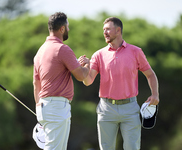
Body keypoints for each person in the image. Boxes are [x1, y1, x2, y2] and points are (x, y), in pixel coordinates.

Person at [79, 17, 159, 150]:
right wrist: (86, 68)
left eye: (108, 29)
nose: (104, 32)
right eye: (103, 30)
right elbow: (88, 81)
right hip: (106, 109)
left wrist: (155, 94)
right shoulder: (98, 55)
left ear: (118, 30)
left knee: (132, 147)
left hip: (130, 108)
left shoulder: (135, 52)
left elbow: (150, 74)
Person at [33, 12, 90, 150]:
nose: (69, 29)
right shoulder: (62, 49)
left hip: (44, 106)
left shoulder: (40, 51)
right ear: (62, 28)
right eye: (68, 27)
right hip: (56, 107)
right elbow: (81, 76)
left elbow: (36, 84)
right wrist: (87, 65)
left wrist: (39, 107)